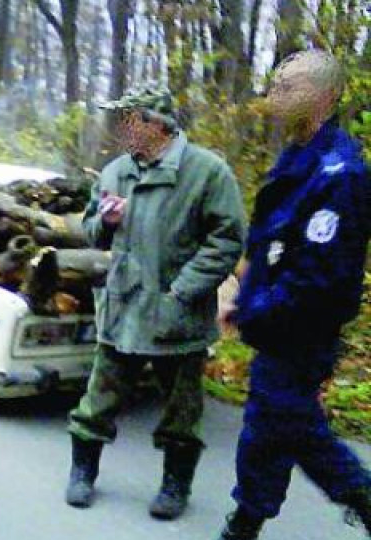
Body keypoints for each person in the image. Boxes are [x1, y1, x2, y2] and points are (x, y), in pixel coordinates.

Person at [65, 86, 247, 520]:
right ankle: (82, 472)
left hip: (177, 315)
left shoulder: (207, 172)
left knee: (181, 413)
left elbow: (227, 241)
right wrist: (103, 221)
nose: (121, 127)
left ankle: (175, 487)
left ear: (154, 123)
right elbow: (91, 230)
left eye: (128, 119)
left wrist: (182, 291)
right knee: (96, 402)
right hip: (123, 309)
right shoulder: (115, 172)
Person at [214, 49, 371, 540]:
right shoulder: (295, 157)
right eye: (274, 85)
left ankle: (360, 495)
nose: (272, 96)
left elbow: (317, 282)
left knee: (288, 421)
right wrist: (239, 288)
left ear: (323, 96)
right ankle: (246, 519)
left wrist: (253, 312)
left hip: (300, 332)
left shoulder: (340, 175)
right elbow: (266, 241)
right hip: (273, 322)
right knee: (267, 426)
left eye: (287, 86)